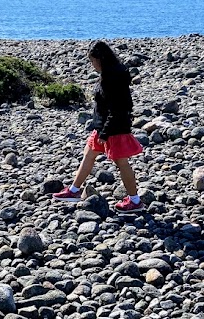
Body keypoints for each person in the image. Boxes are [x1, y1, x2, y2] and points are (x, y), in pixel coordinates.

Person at [53, 40, 145, 212]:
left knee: (121, 162)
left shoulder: (112, 78)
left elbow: (117, 108)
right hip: (104, 126)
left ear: (100, 59)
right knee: (89, 154)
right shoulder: (112, 73)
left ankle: (135, 200)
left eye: (92, 60)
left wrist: (105, 133)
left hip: (113, 128)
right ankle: (74, 190)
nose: (92, 65)